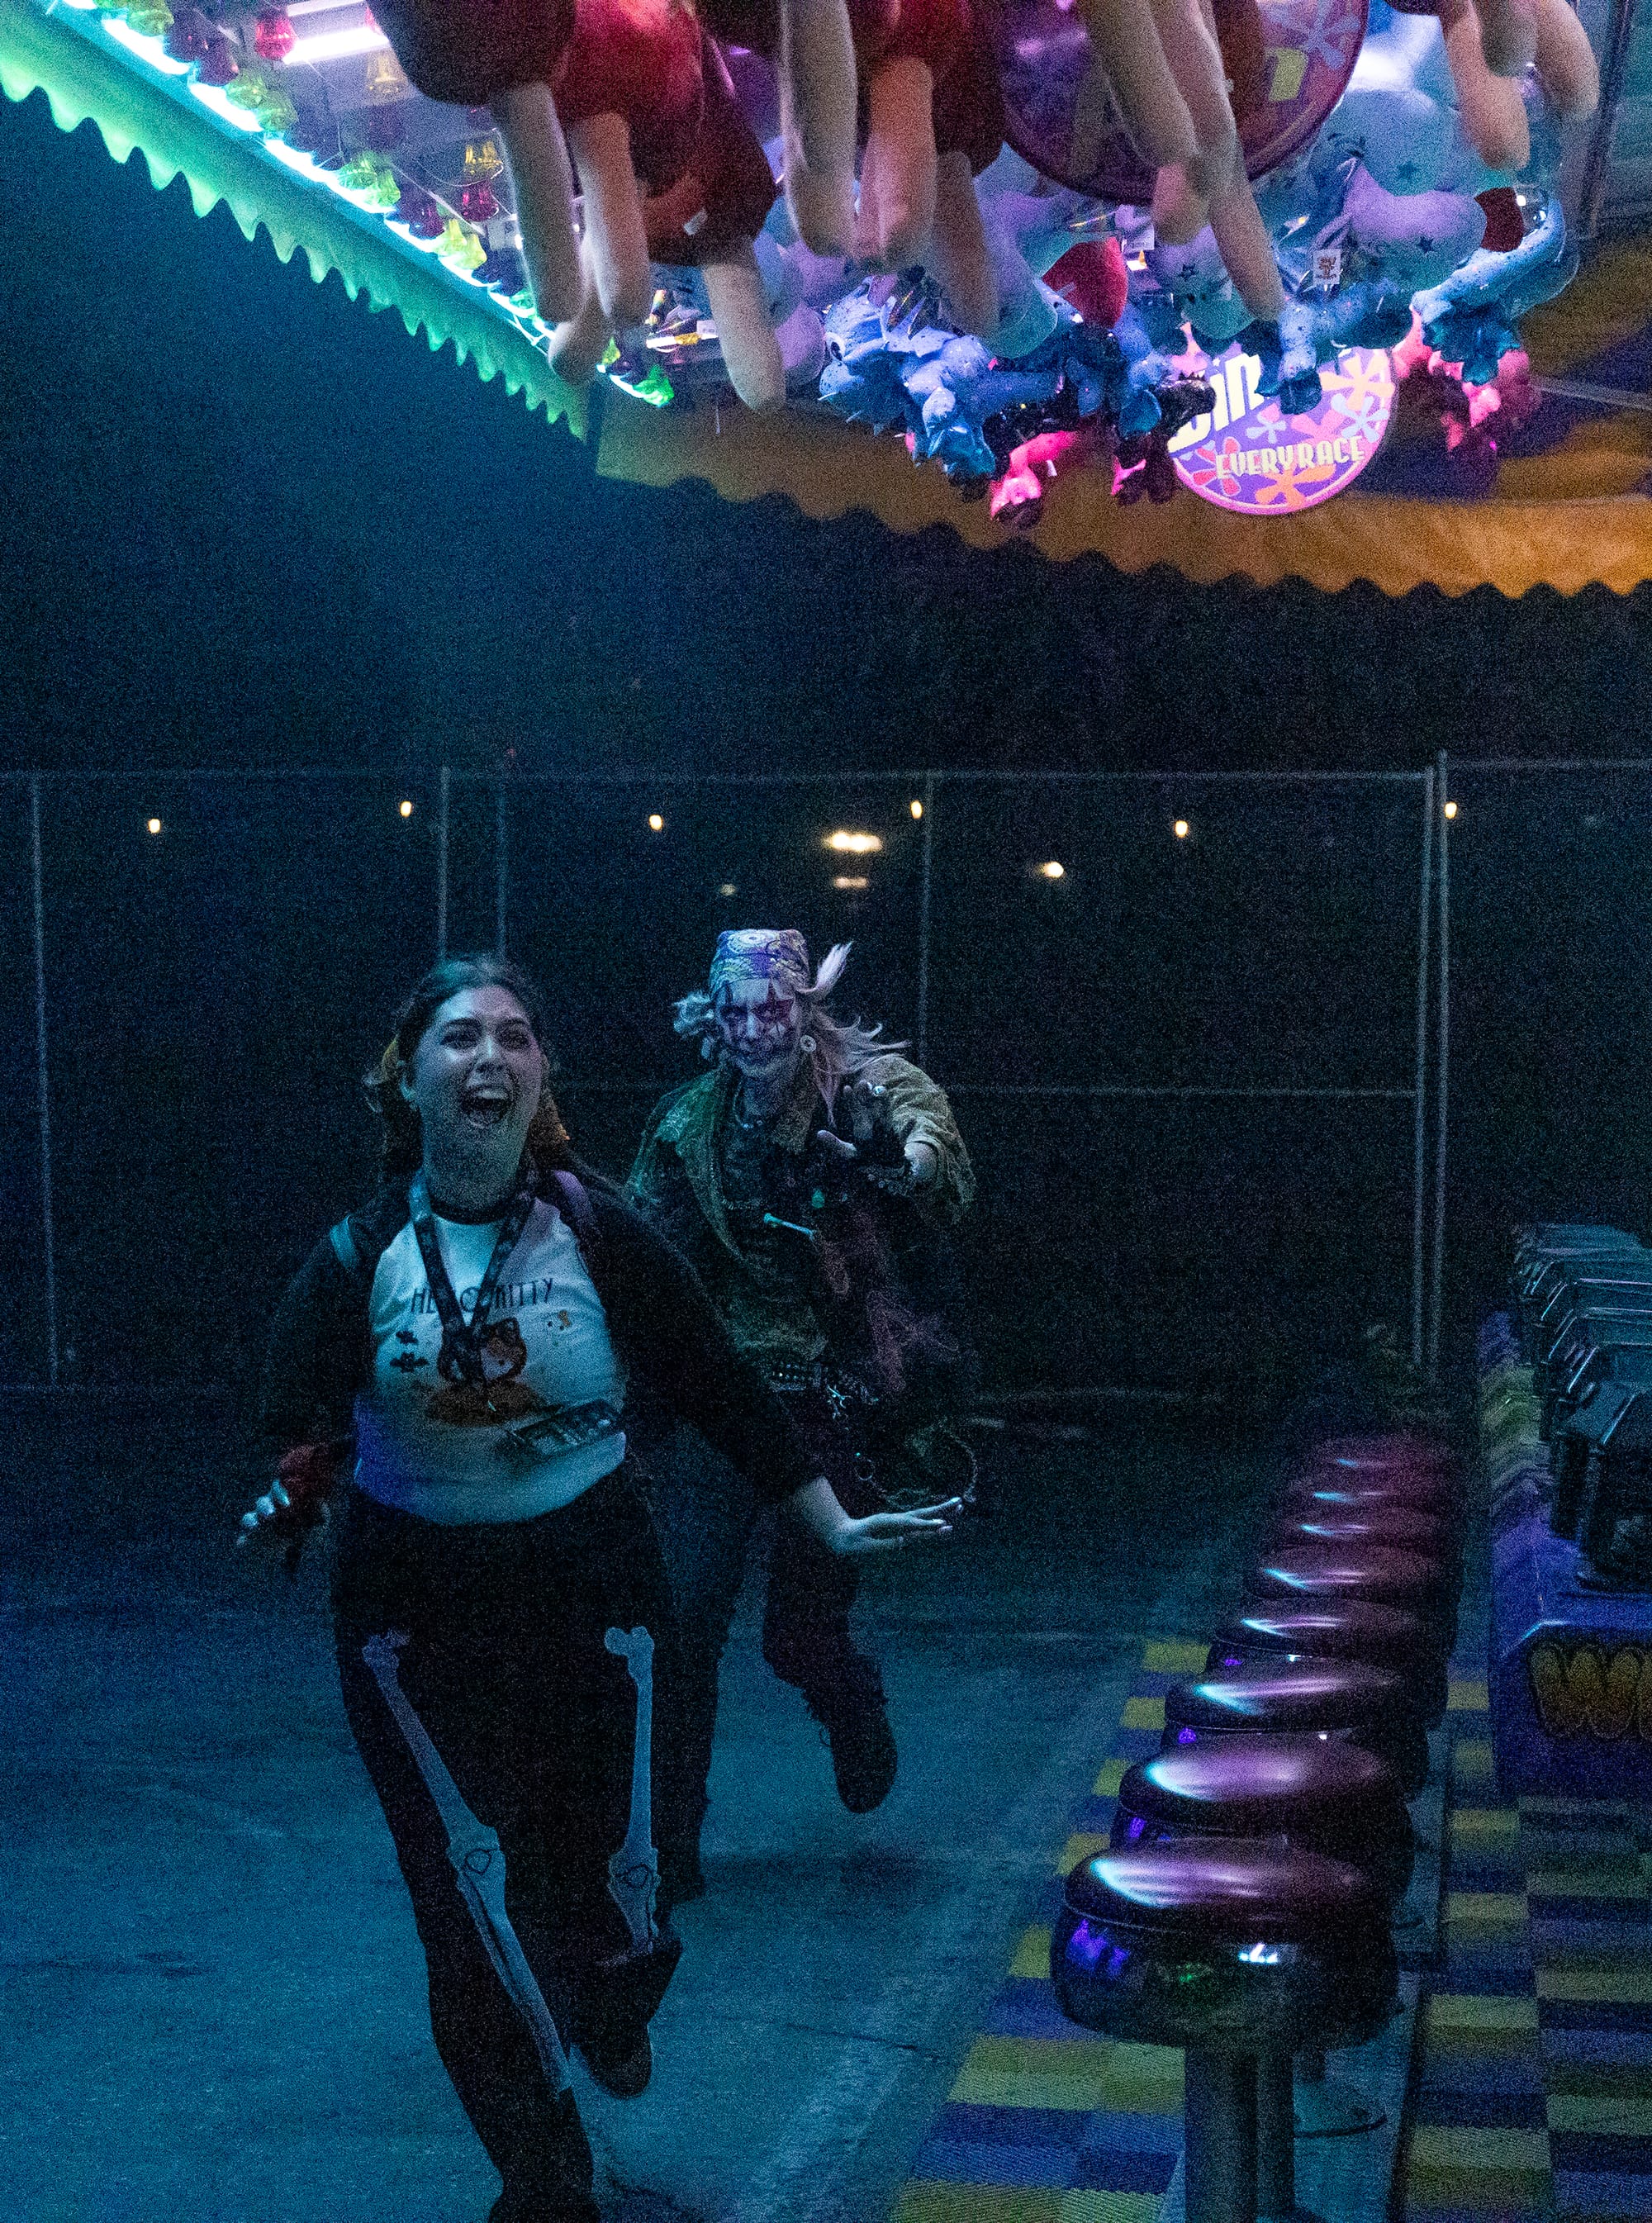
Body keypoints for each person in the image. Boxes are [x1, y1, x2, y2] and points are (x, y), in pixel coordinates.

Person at [238, 954, 957, 2223]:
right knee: (464, 1901)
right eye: (458, 1036)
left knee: (606, 1888)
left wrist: (832, 1520)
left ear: (541, 1077)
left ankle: (610, 1999)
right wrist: (300, 1475)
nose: (489, 1056)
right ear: (408, 1077)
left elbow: (719, 1378)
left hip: (590, 1595)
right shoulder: (360, 1253)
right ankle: (543, 2170)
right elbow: (288, 1407)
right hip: (414, 1625)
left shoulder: (597, 1224)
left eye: (516, 1034)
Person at [628, 930, 975, 1893]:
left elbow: (927, 1136)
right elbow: (635, 1254)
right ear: (712, 1018)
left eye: (770, 1010)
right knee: (684, 1621)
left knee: (800, 1633)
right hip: (720, 1397)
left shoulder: (855, 1098)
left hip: (835, 1388)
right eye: (733, 1013)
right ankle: (671, 1840)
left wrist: (897, 1162)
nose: (752, 1030)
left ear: (801, 1010)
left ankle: (849, 1700)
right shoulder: (686, 1123)